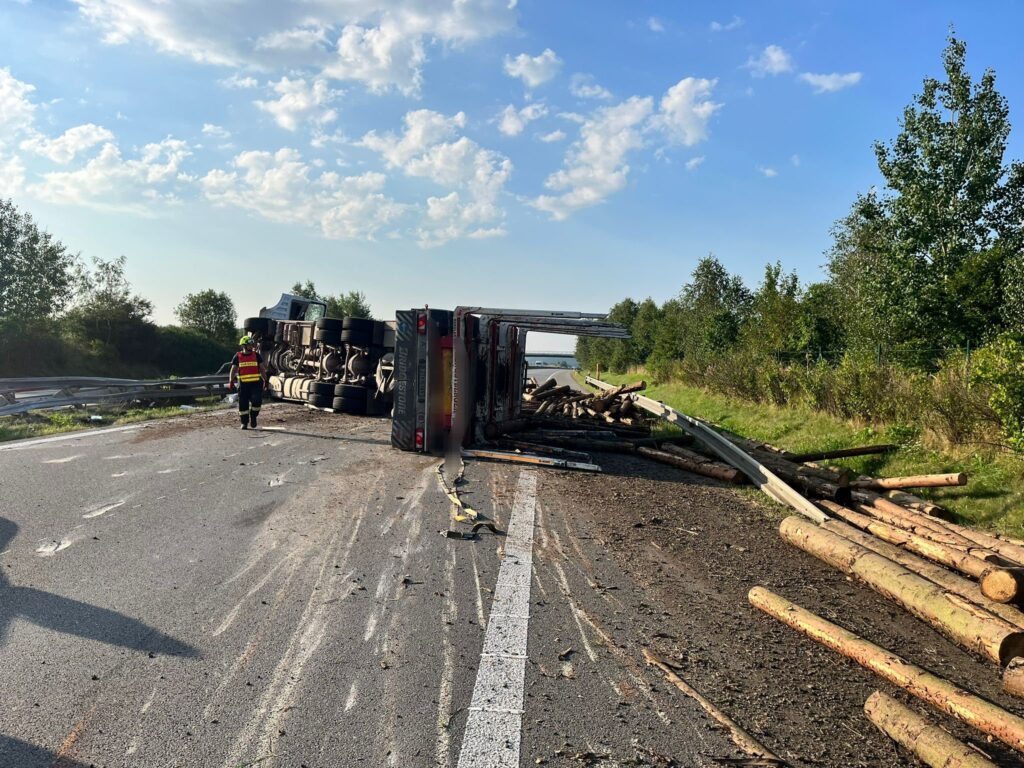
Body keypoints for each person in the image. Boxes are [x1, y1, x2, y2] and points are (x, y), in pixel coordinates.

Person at [228, 336, 267, 429]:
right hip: (243, 384)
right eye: (250, 344)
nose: (252, 346)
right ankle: (244, 423)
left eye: (252, 344)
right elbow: (233, 370)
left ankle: (253, 416)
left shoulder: (256, 355)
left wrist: (266, 380)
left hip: (256, 384)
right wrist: (231, 381)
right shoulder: (237, 356)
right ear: (244, 345)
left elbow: (262, 369)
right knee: (243, 404)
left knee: (257, 401)